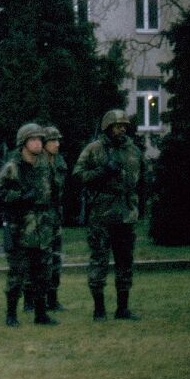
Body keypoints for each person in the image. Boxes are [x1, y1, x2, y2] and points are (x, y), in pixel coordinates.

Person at [74, 109, 143, 321]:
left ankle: (123, 308)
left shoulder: (133, 150)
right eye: (117, 126)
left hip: (126, 214)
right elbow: (78, 176)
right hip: (102, 215)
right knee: (99, 261)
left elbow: (142, 178)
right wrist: (103, 171)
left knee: (125, 262)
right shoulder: (94, 149)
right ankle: (99, 309)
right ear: (108, 127)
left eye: (124, 126)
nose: (122, 129)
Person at [0, 123, 59, 327]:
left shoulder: (45, 165)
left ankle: (41, 313)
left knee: (43, 273)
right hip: (20, 229)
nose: (38, 143)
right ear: (23, 143)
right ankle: (11, 314)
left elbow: (54, 191)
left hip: (43, 228)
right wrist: (19, 197)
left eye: (40, 139)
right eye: (33, 140)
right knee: (17, 274)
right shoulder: (12, 167)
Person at [42, 125, 66, 312]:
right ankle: (31, 299)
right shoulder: (35, 163)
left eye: (58, 140)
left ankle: (53, 298)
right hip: (39, 219)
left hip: (55, 217)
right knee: (39, 260)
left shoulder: (59, 162)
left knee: (56, 259)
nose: (57, 144)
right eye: (52, 140)